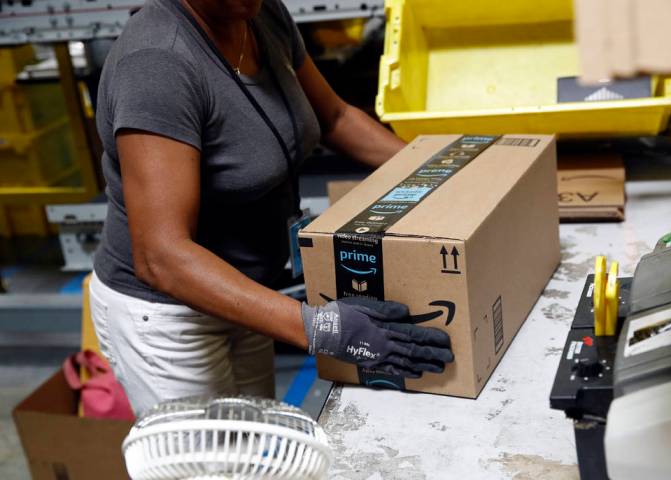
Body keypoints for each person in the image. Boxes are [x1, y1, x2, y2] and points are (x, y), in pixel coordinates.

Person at [89, 0, 454, 414]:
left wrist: (435, 173)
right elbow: (161, 256)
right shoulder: (157, 63)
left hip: (248, 293)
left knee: (253, 450)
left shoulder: (258, 14)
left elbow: (333, 117)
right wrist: (321, 328)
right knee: (210, 468)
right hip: (171, 320)